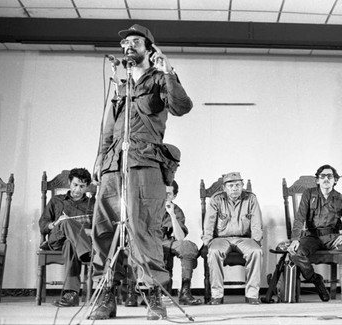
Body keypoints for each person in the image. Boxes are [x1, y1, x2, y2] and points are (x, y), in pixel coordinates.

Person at [89, 23, 193, 320]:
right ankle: (105, 297)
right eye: (126, 43)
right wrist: (100, 158)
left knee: (144, 230)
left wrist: (170, 73)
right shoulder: (121, 84)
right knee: (104, 230)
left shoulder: (161, 79)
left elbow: (182, 107)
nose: (128, 46)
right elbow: (109, 128)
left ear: (149, 48)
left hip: (145, 164)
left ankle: (152, 297)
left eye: (136, 41)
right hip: (113, 166)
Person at [287, 164, 342, 304]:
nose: (326, 179)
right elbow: (299, 218)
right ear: (317, 180)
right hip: (312, 237)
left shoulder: (341, 199)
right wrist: (295, 239)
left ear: (335, 180)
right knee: (295, 252)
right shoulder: (308, 194)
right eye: (322, 176)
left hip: (333, 239)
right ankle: (315, 279)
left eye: (330, 176)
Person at [201, 172, 263, 305]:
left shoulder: (251, 198)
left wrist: (256, 241)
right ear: (224, 188)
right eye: (231, 185)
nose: (234, 188)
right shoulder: (216, 199)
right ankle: (217, 295)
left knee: (256, 252)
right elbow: (209, 223)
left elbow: (256, 222)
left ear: (242, 186)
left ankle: (252, 295)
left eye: (237, 185)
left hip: (244, 238)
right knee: (214, 252)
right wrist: (207, 242)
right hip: (221, 238)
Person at [38, 168, 95, 307]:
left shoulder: (92, 204)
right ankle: (86, 253)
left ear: (86, 187)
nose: (78, 189)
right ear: (70, 183)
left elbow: (96, 230)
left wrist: (82, 231)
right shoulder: (56, 200)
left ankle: (71, 294)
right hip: (57, 239)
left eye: (82, 186)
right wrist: (57, 223)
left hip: (75, 243)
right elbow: (43, 225)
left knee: (71, 243)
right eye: (75, 185)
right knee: (66, 221)